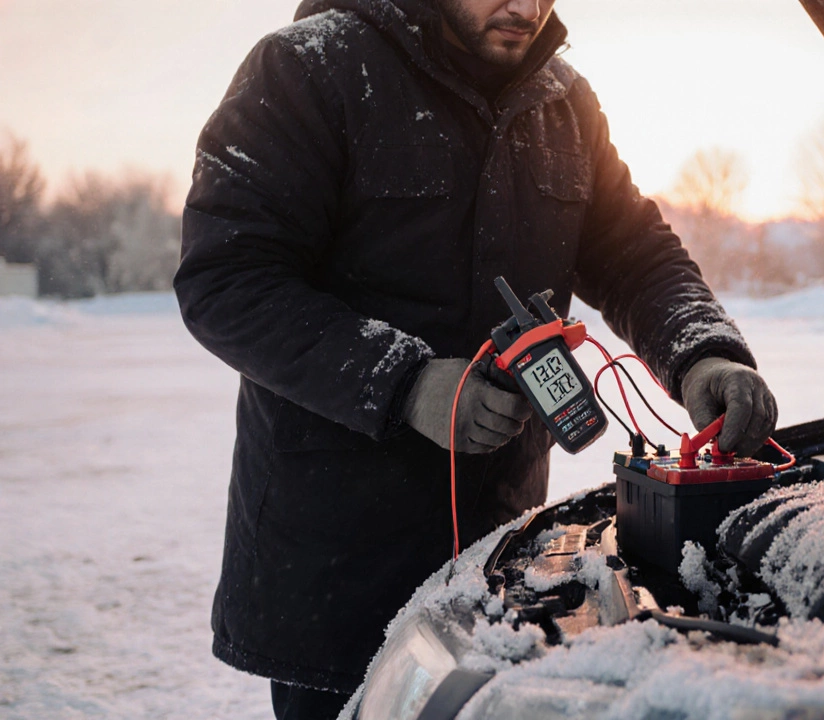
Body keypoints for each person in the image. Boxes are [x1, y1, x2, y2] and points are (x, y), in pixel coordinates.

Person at [174, 0, 778, 717]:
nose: (526, 7)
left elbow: (634, 254)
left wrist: (702, 353)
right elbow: (226, 278)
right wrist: (403, 383)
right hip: (337, 565)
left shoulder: (565, 101)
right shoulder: (310, 68)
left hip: (500, 552)